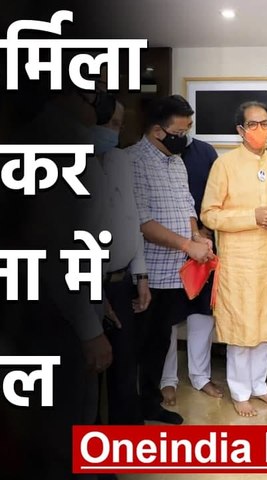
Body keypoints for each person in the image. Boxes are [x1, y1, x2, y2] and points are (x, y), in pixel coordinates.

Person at [200, 101, 267, 417]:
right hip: (238, 262)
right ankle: (240, 391)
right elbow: (209, 214)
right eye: (253, 124)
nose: (260, 129)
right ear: (240, 130)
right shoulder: (225, 165)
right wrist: (250, 217)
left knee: (264, 327)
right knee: (241, 329)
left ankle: (259, 385)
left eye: (265, 123)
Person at [128, 95, 213, 425]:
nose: (185, 138)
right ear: (157, 131)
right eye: (180, 131)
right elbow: (143, 223)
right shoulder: (133, 161)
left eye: (188, 129)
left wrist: (196, 236)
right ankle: (129, 413)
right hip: (146, 274)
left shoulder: (176, 162)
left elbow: (186, 205)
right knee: (136, 347)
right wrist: (186, 244)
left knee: (160, 343)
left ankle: (151, 405)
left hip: (175, 273)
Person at [90, 98, 153, 425]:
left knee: (126, 367)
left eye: (119, 124)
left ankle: (126, 439)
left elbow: (132, 219)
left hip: (121, 281)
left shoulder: (118, 160)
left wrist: (140, 275)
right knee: (89, 374)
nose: (115, 132)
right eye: (110, 124)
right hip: (84, 287)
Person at [159, 135, 224, 405]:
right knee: (168, 317)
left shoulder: (206, 152)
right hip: (166, 247)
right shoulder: (154, 155)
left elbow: (218, 195)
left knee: (202, 313)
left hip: (203, 244)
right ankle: (167, 380)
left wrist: (205, 229)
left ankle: (200, 376)